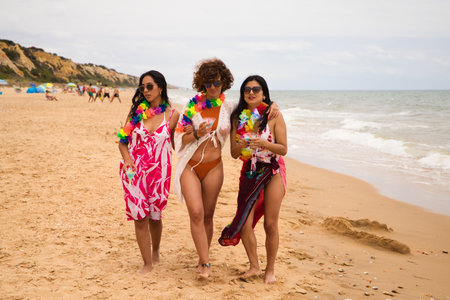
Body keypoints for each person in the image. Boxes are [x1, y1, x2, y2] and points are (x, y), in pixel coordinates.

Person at [174, 58, 279, 279]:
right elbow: (180, 139)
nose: (213, 87)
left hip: (214, 167)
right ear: (202, 83)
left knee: (208, 215)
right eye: (208, 83)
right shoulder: (191, 106)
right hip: (190, 166)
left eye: (217, 83)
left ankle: (204, 255)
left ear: (224, 83)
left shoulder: (229, 107)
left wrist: (273, 105)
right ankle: (204, 263)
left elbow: (253, 107)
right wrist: (197, 134)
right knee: (196, 212)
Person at [218, 75, 287, 284]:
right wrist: (245, 143)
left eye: (256, 89)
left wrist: (263, 144)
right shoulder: (237, 117)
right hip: (249, 170)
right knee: (245, 223)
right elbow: (233, 152)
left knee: (270, 224)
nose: (251, 93)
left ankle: (270, 270)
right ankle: (254, 266)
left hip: (273, 170)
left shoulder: (274, 115)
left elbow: (283, 149)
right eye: (247, 89)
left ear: (263, 92)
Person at [117, 70, 180, 274]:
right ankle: (147, 263)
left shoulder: (173, 115)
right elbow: (122, 142)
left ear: (161, 87)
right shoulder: (136, 114)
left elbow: (179, 143)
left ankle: (156, 250)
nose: (145, 90)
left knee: (155, 216)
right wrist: (127, 161)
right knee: (140, 217)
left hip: (159, 175)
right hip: (134, 172)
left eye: (149, 86)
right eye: (142, 87)